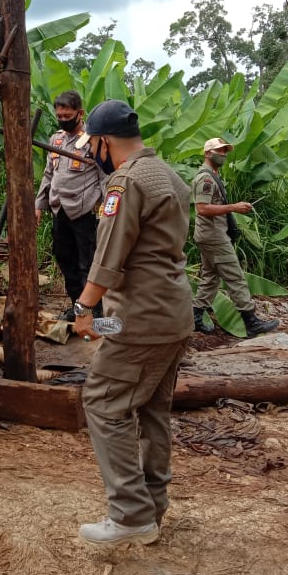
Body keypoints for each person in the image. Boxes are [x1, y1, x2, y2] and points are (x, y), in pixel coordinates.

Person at [70, 99, 194, 547]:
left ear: (104, 142)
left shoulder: (125, 182)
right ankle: (152, 505)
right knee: (151, 407)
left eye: (93, 146)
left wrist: (82, 309)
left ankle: (130, 514)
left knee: (104, 401)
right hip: (174, 314)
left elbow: (109, 257)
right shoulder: (170, 175)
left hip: (140, 318)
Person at [190, 138, 279, 336]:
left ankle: (195, 317)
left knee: (210, 278)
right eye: (218, 151)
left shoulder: (213, 176)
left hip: (211, 234)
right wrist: (234, 207)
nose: (223, 155)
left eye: (225, 151)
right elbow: (202, 208)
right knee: (235, 277)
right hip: (213, 236)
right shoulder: (205, 178)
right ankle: (251, 322)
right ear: (207, 153)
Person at [36, 90, 108, 321]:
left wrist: (109, 209)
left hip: (84, 210)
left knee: (87, 263)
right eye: (60, 116)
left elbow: (104, 176)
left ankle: (94, 311)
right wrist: (39, 205)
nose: (63, 120)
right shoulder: (55, 140)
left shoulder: (92, 140)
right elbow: (48, 175)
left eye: (68, 116)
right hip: (59, 210)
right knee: (65, 260)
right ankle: (77, 308)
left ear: (80, 113)